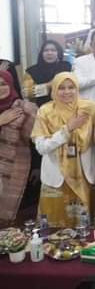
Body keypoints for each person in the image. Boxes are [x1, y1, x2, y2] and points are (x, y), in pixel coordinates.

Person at [32, 72, 95, 227]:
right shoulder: (45, 111)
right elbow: (41, 147)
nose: (67, 92)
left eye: (71, 87)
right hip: (56, 177)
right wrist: (67, 130)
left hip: (84, 175)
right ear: (54, 89)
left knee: (85, 228)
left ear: (77, 88)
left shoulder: (90, 108)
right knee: (54, 228)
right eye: (61, 88)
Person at [0, 70, 37, 227]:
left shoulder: (25, 109)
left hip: (20, 172)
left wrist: (37, 168)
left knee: (19, 221)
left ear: (11, 84)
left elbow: (37, 139)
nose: (0, 88)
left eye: (3, 84)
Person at [23, 40, 72, 107]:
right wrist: (49, 85)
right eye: (46, 50)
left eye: (53, 50)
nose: (49, 53)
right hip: (40, 108)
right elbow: (26, 93)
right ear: (41, 53)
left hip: (65, 106)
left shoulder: (66, 67)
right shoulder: (31, 71)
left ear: (58, 53)